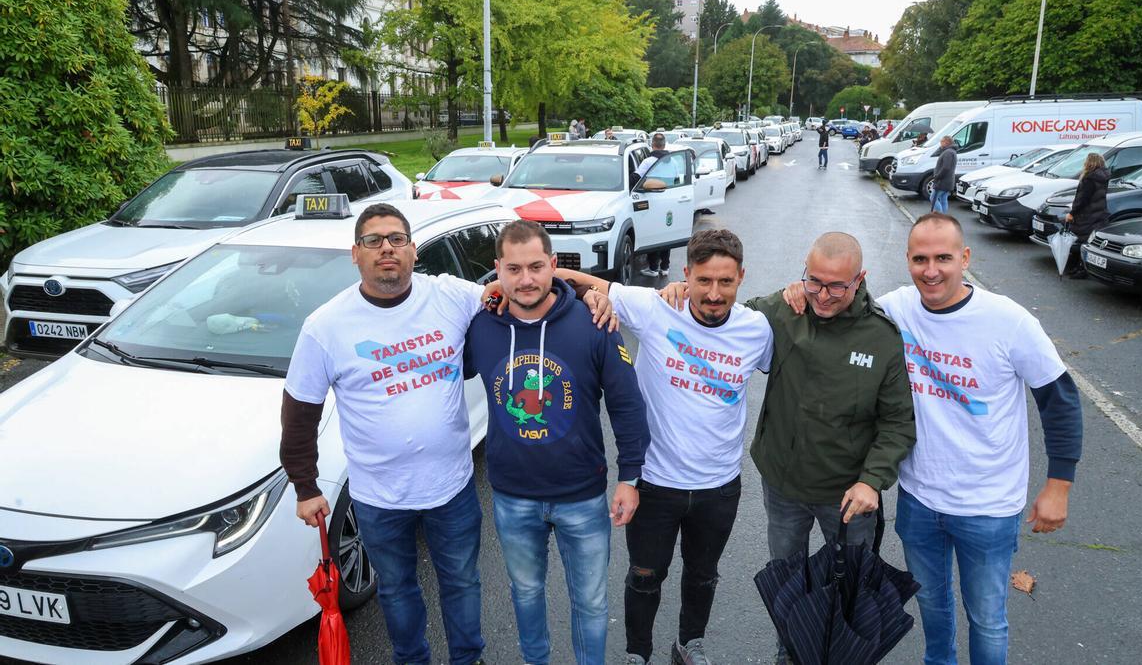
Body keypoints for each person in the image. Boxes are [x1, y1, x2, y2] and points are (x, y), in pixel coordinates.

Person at [784, 213, 1083, 665]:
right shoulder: (896, 309)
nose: (931, 270)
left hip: (988, 505)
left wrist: (1059, 485)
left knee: (986, 618)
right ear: (907, 260)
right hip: (920, 499)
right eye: (920, 258)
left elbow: (1059, 399)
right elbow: (837, 305)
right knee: (933, 605)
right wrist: (796, 290)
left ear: (965, 258)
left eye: (944, 257)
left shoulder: (1008, 321)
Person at [665, 232, 916, 665]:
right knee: (789, 580)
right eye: (814, 281)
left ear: (861, 279)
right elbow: (719, 313)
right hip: (783, 486)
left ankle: (840, 654)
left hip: (848, 496)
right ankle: (790, 650)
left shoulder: (882, 338)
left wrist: (872, 482)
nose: (823, 295)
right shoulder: (783, 310)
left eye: (837, 285)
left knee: (849, 587)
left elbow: (898, 423)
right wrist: (678, 290)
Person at [281, 203, 490, 665]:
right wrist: (306, 486)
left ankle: (467, 659)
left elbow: (515, 291)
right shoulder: (326, 326)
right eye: (373, 241)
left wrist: (590, 291)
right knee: (396, 591)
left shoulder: (449, 296)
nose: (386, 249)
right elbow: (299, 412)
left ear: (414, 250)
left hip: (451, 487)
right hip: (378, 496)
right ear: (355, 253)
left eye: (396, 239)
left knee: (461, 582)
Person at [557, 230, 774, 665]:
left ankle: (688, 644)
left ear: (741, 278)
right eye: (704, 281)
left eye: (726, 282)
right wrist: (586, 298)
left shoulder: (757, 330)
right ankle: (638, 652)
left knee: (702, 576)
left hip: (719, 486)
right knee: (644, 575)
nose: (714, 294)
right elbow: (568, 278)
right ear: (686, 275)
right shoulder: (656, 308)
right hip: (654, 482)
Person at [463, 220, 651, 665]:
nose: (525, 279)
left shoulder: (595, 323)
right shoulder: (482, 327)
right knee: (526, 595)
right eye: (513, 269)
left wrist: (630, 477)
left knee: (589, 603)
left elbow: (627, 405)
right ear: (497, 271)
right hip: (512, 496)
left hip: (581, 497)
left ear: (553, 265)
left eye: (534, 267)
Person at [1064, 153, 1110, 279]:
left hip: (1086, 215)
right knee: (1089, 242)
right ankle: (1081, 267)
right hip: (1098, 213)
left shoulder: (1089, 178)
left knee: (1082, 242)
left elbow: (1082, 199)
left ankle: (1081, 269)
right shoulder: (1103, 177)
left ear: (1089, 163)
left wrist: (1072, 213)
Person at [635, 132, 673, 277]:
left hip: (653, 200)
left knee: (654, 234)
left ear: (652, 145)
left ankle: (653, 268)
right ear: (664, 144)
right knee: (667, 234)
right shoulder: (673, 161)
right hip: (670, 201)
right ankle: (665, 267)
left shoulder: (648, 161)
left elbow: (636, 178)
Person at [930, 135, 957, 214]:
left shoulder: (948, 152)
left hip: (942, 181)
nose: (940, 144)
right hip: (948, 181)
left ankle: (940, 216)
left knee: (933, 198)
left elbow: (946, 167)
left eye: (941, 142)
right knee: (943, 199)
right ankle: (944, 217)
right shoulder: (952, 151)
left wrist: (937, 176)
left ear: (946, 142)